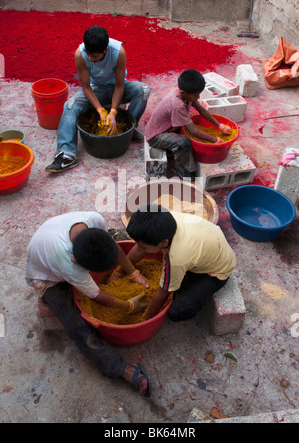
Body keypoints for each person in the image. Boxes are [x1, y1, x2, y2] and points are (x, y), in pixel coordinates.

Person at [25, 211, 151, 397]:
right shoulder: (68, 262)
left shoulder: (94, 219)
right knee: (74, 325)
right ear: (78, 262)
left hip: (53, 245)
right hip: (47, 276)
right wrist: (128, 306)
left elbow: (112, 245)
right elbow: (96, 295)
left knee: (123, 238)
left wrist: (133, 273)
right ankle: (120, 368)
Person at [46, 25, 150, 172]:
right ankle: (66, 154)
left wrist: (113, 112)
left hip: (117, 86)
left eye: (94, 56)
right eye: (88, 53)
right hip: (96, 89)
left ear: (105, 50)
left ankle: (128, 130)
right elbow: (86, 87)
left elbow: (120, 86)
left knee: (143, 91)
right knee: (70, 106)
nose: (90, 58)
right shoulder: (80, 54)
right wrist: (101, 110)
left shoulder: (118, 52)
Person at [126, 204, 236, 322]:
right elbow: (139, 247)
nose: (140, 248)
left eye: (144, 247)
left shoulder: (176, 259)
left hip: (217, 271)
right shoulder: (164, 221)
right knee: (174, 280)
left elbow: (164, 292)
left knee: (178, 310)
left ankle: (198, 300)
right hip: (209, 246)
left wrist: (146, 319)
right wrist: (119, 271)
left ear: (164, 243)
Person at [144, 69, 232, 180]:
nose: (198, 97)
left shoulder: (186, 94)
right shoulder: (178, 105)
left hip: (167, 127)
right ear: (183, 91)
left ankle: (175, 151)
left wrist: (220, 126)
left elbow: (201, 110)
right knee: (183, 141)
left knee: (187, 123)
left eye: (199, 94)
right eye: (196, 95)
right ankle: (179, 166)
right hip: (155, 136)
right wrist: (215, 140)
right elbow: (194, 131)